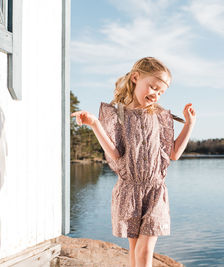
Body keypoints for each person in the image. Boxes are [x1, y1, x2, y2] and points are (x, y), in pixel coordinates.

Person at [71, 57, 196, 267]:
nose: (156, 94)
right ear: (136, 78)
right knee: (134, 251)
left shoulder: (160, 117)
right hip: (129, 191)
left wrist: (189, 124)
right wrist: (94, 124)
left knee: (145, 250)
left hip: (155, 191)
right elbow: (114, 153)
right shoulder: (118, 114)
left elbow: (173, 153)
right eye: (153, 87)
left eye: (161, 92)